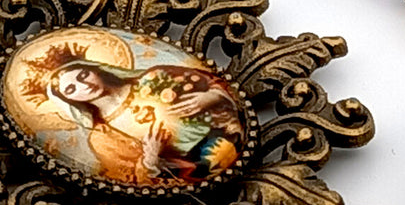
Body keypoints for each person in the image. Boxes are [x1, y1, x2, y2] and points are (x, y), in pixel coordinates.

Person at [32, 52, 245, 185]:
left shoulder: (153, 77)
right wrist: (150, 158)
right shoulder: (102, 139)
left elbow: (210, 84)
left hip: (229, 131)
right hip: (194, 170)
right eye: (71, 89)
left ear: (96, 70)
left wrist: (210, 97)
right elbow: (133, 179)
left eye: (83, 75)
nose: (84, 85)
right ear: (70, 101)